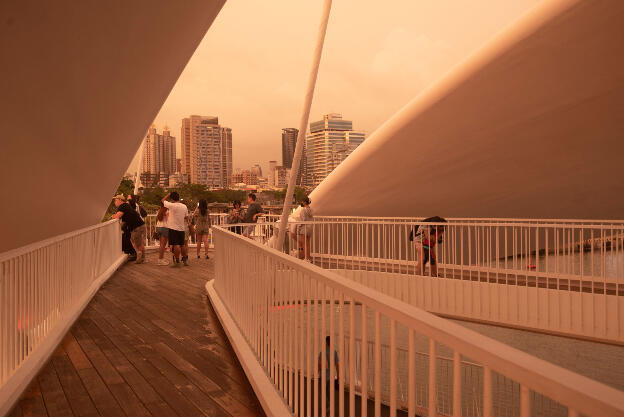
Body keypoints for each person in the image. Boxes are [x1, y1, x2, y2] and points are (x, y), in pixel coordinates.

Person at [110, 194, 146, 264]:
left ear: (120, 200)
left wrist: (111, 217)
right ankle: (142, 258)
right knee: (137, 243)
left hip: (137, 227)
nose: (114, 202)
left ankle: (141, 259)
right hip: (139, 225)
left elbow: (118, 216)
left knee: (137, 244)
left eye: (115, 200)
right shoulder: (125, 205)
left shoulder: (122, 206)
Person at [162, 192, 189, 267]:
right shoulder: (184, 206)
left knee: (176, 245)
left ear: (172, 198)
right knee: (182, 244)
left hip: (173, 228)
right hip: (181, 228)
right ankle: (185, 260)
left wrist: (168, 194)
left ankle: (177, 261)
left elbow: (163, 200)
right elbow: (186, 217)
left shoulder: (171, 205)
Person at [317, 336, 339, 415]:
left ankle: (327, 407)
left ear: (326, 342)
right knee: (329, 392)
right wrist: (338, 375)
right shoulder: (334, 352)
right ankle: (330, 405)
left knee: (323, 392)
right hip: (331, 376)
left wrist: (317, 372)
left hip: (323, 376)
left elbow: (319, 365)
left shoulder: (322, 352)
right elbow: (337, 365)